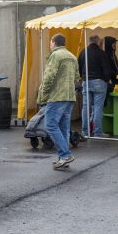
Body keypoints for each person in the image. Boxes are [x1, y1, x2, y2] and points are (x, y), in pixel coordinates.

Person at [38, 34, 81, 170]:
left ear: (54, 43)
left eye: (50, 42)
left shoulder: (55, 55)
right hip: (70, 96)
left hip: (57, 96)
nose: (50, 45)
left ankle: (65, 155)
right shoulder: (72, 56)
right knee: (63, 128)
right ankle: (62, 158)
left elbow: (49, 76)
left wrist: (43, 93)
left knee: (50, 125)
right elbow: (77, 78)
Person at [77, 35, 112, 138]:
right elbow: (107, 69)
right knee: (97, 108)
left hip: (86, 81)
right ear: (98, 42)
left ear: (89, 42)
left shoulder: (83, 52)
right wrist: (106, 80)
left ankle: (85, 132)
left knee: (85, 107)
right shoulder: (101, 53)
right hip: (99, 82)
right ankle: (97, 132)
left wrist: (83, 77)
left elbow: (78, 67)